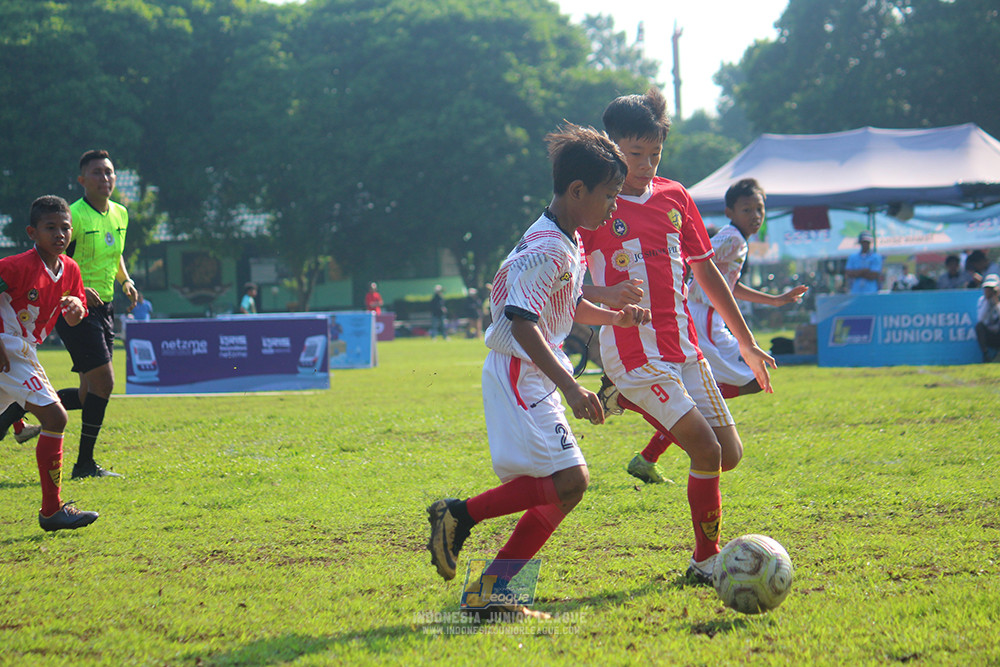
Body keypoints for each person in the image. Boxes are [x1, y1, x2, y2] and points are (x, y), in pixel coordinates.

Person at [425, 123, 650, 620]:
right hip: (520, 372)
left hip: (535, 374)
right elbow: (522, 323)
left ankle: (490, 595)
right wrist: (572, 386)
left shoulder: (563, 237)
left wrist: (615, 315)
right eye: (610, 194)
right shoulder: (550, 248)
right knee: (571, 481)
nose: (614, 205)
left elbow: (562, 307)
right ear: (577, 191)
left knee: (567, 487)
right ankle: (457, 517)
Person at [576, 87, 776, 585]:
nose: (644, 164)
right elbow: (567, 277)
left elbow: (708, 274)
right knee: (706, 454)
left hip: (685, 351)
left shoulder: (676, 197)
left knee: (729, 455)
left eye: (654, 154)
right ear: (611, 146)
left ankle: (623, 398)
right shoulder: (593, 205)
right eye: (633, 154)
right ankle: (705, 562)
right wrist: (606, 291)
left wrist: (746, 343)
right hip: (634, 354)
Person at [618, 178, 808, 485]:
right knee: (750, 378)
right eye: (747, 209)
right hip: (703, 319)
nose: (755, 215)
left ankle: (648, 457)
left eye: (759, 208)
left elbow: (728, 283)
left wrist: (774, 300)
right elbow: (701, 262)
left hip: (711, 318)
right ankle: (647, 435)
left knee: (740, 383)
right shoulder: (731, 238)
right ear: (730, 212)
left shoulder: (738, 240)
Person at [0, 151, 138, 478]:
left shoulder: (120, 214)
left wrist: (126, 280)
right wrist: (72, 297)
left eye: (109, 173)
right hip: (64, 312)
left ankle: (19, 406)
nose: (105, 179)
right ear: (82, 180)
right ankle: (82, 467)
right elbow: (49, 267)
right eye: (97, 173)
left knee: (88, 392)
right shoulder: (72, 215)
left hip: (99, 306)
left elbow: (114, 255)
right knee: (102, 384)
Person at [0, 195, 99, 530]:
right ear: (32, 232)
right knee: (56, 416)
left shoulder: (70, 268)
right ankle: (51, 511)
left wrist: (76, 310)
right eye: (50, 227)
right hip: (10, 346)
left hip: (25, 349)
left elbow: (77, 309)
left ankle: (51, 511)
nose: (60, 234)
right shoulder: (14, 266)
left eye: (65, 227)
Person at [975, 274, 1000, 362]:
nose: (990, 291)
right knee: (979, 327)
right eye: (987, 288)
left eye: (992, 289)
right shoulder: (982, 300)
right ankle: (986, 356)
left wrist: (996, 302)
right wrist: (987, 300)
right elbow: (981, 319)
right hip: (990, 334)